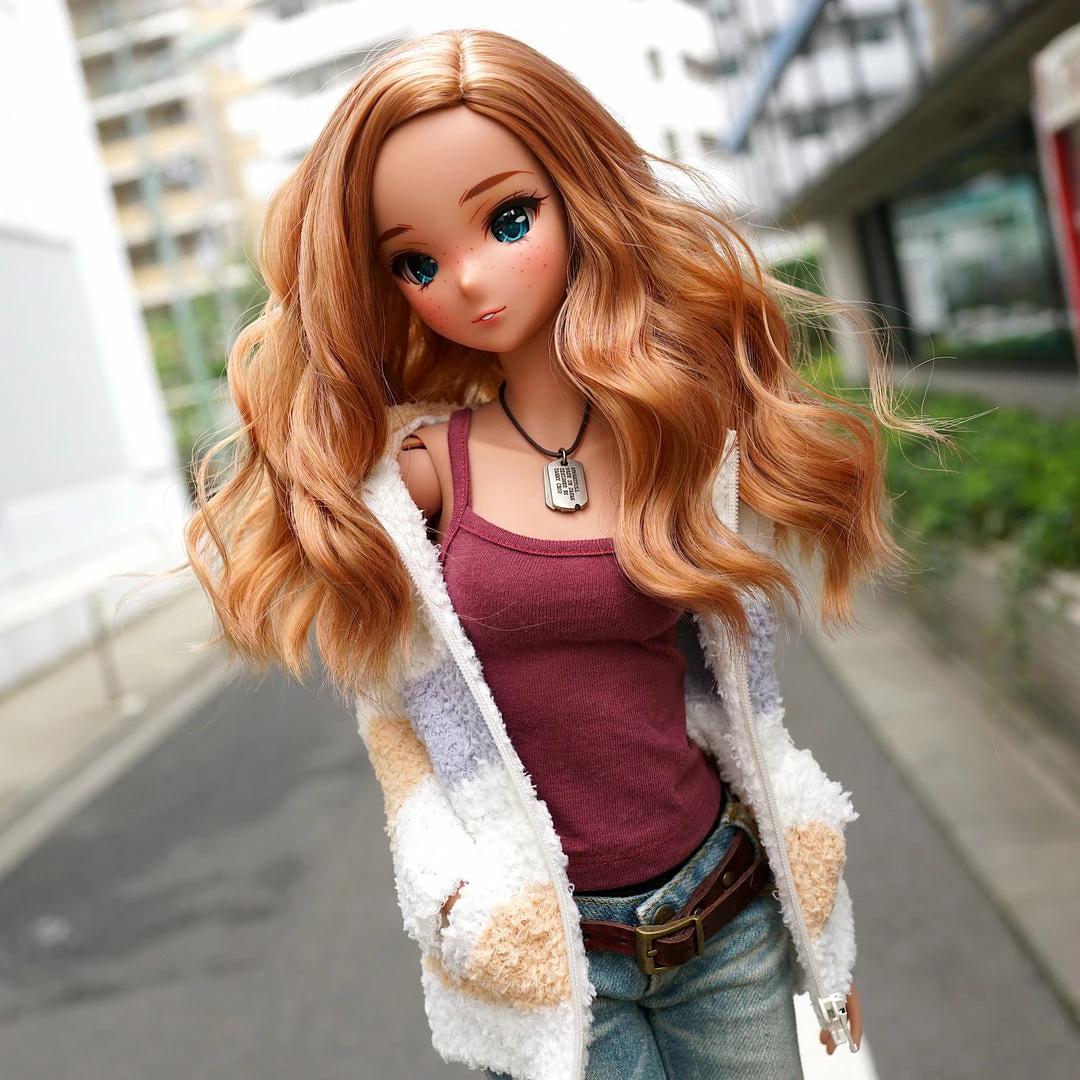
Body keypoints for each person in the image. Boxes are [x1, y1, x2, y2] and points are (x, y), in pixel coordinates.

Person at [185, 28, 922, 1080]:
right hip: (560, 961)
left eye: (508, 219)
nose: (468, 278)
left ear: (581, 201)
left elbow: (742, 696)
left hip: (726, 914)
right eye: (415, 262)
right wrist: (457, 899)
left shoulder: (674, 437)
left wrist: (818, 921)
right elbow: (390, 708)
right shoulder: (423, 474)